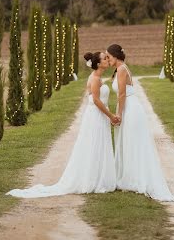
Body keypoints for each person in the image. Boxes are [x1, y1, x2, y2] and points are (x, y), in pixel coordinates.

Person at [6, 51, 118, 198]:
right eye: (105, 58)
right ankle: (93, 179)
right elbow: (96, 101)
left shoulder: (97, 77)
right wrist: (110, 115)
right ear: (98, 63)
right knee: (95, 145)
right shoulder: (95, 78)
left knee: (99, 144)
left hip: (98, 116)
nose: (107, 59)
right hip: (97, 116)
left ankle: (99, 176)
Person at [107, 43, 174, 202]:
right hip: (130, 107)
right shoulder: (122, 68)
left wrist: (118, 115)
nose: (107, 59)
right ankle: (131, 175)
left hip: (130, 110)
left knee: (133, 143)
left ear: (116, 56)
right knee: (130, 142)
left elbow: (122, 94)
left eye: (109, 56)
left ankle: (136, 178)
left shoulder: (121, 70)